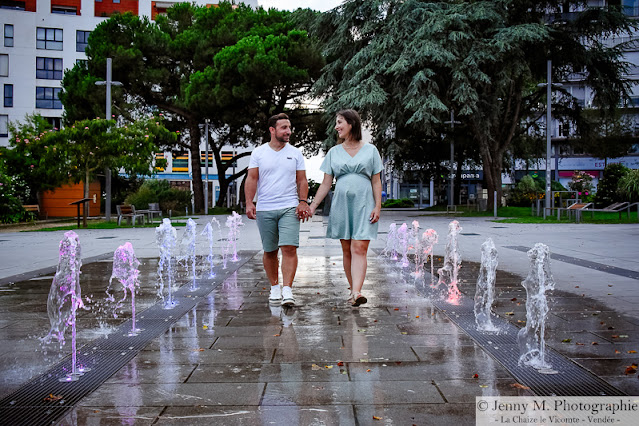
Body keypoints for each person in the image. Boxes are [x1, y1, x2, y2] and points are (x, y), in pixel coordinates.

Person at [309, 109, 383, 306]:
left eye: (340, 122)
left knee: (359, 247)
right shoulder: (334, 152)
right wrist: (313, 205)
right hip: (342, 204)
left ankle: (357, 292)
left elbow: (376, 182)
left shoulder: (371, 150)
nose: (336, 127)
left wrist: (378, 206)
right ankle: (354, 291)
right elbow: (326, 183)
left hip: (364, 203)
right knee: (347, 249)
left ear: (351, 123)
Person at [245, 113, 312, 307]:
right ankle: (274, 287)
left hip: (289, 207)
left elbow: (302, 180)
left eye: (289, 127)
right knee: (270, 250)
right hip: (265, 208)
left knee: (289, 247)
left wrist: (302, 201)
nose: (288, 131)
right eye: (284, 128)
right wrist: (250, 203)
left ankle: (288, 289)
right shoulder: (259, 153)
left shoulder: (296, 153)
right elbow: (252, 179)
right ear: (272, 130)